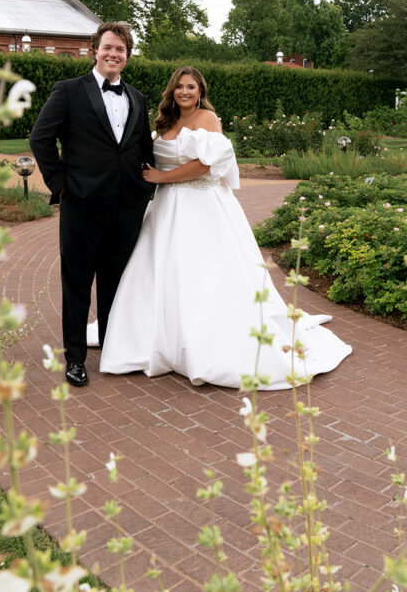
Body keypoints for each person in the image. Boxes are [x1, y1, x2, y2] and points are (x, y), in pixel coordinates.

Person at [98, 67, 352, 389]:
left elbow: (205, 165)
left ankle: (202, 343)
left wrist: (161, 177)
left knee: (204, 273)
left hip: (201, 207)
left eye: (191, 87)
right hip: (164, 209)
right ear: (171, 91)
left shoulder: (207, 119)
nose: (185, 92)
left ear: (200, 91)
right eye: (179, 86)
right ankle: (149, 339)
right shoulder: (165, 122)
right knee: (160, 271)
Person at [29, 22, 154, 387]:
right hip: (81, 204)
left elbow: (142, 148)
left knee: (116, 282)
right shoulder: (69, 91)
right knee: (78, 283)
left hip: (127, 207)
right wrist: (62, 185)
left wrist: (145, 189)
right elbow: (41, 139)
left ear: (127, 57)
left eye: (121, 50)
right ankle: (76, 360)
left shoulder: (137, 97)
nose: (114, 54)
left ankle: (114, 352)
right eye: (108, 47)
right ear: (95, 50)